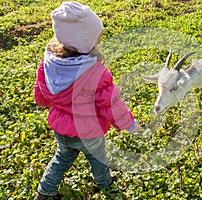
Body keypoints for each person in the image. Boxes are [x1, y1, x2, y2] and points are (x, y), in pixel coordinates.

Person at [33, 2, 140, 199]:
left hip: (61, 130)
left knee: (61, 158)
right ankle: (105, 183)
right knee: (98, 159)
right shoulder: (97, 72)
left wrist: (45, 101)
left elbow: (41, 94)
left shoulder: (49, 64)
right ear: (87, 41)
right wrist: (130, 124)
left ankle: (44, 191)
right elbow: (110, 104)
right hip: (89, 132)